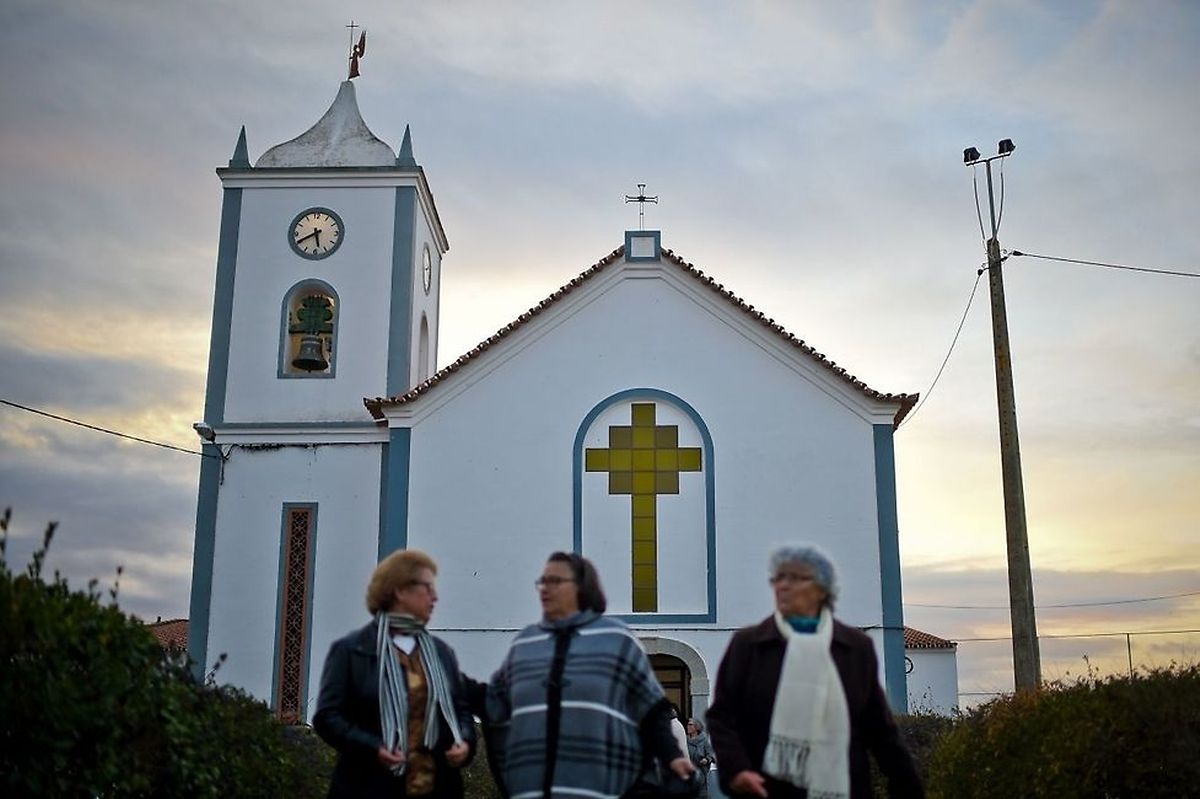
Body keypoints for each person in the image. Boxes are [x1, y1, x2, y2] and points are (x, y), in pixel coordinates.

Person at [706, 545, 923, 799]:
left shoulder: (854, 648)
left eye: (796, 578)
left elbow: (879, 728)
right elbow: (722, 717)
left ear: (823, 589)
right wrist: (736, 769)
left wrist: (906, 784)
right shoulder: (749, 645)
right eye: (779, 578)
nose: (783, 586)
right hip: (766, 789)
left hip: (843, 787)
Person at [484, 551, 696, 798]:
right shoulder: (525, 643)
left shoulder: (617, 639)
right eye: (542, 581)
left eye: (555, 581)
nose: (544, 588)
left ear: (581, 587)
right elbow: (494, 708)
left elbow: (652, 708)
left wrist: (672, 756)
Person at [313, 549, 476, 798]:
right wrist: (373, 747)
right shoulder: (352, 651)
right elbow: (328, 717)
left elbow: (461, 710)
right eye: (427, 588)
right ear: (400, 591)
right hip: (369, 786)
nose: (435, 598)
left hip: (436, 786)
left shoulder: (441, 653)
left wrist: (464, 742)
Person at [685, 718, 716, 798]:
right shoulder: (685, 739)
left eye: (690, 725)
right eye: (688, 724)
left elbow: (711, 754)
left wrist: (706, 759)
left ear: (696, 727)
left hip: (701, 773)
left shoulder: (704, 740)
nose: (687, 726)